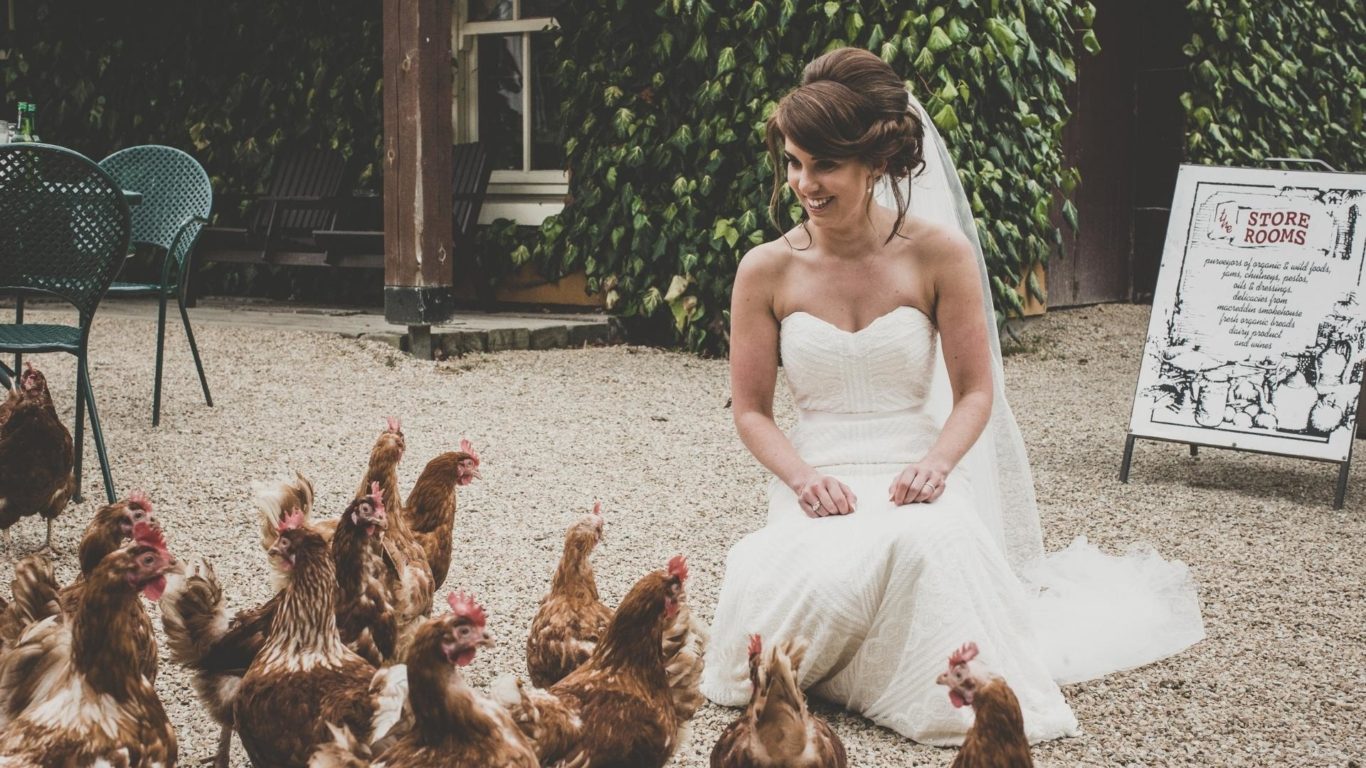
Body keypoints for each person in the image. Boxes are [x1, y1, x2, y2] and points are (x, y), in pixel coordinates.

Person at [699, 47, 1204, 745]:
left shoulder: (938, 254)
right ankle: (848, 669)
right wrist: (802, 477)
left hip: (915, 467)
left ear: (874, 164)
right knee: (778, 572)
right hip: (818, 475)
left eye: (823, 165)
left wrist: (938, 464)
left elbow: (973, 392)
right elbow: (752, 410)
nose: (804, 184)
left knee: (927, 546)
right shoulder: (765, 268)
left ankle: (901, 686)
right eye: (792, 162)